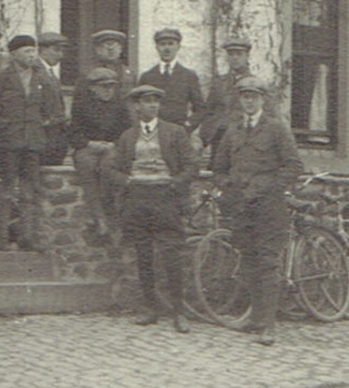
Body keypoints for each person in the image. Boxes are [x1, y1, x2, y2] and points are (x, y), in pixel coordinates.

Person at [212, 76, 303, 346]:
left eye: (254, 96)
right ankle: (255, 318)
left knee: (267, 263)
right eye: (244, 96)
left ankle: (269, 325)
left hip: (269, 207)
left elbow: (293, 167)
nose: (249, 101)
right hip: (241, 206)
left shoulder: (277, 129)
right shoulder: (233, 131)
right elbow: (219, 168)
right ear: (240, 100)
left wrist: (266, 186)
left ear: (263, 99)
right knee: (249, 262)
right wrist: (228, 186)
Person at [110, 84, 198, 333]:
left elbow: (191, 165)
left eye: (155, 101)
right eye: (146, 102)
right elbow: (113, 168)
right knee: (144, 254)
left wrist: (175, 183)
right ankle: (149, 308)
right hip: (137, 198)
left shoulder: (175, 133)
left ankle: (179, 312)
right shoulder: (128, 136)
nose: (152, 105)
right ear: (136, 106)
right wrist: (126, 181)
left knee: (172, 254)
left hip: (165, 197)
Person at [0, 34, 64, 251]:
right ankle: (2, 238)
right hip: (9, 142)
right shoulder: (2, 77)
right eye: (26, 51)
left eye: (33, 51)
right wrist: (2, 127)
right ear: (14, 54)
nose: (31, 55)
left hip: (33, 143)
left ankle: (25, 237)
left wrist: (41, 127)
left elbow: (55, 113)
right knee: (7, 189)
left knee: (30, 190)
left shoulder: (42, 78)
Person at [68, 66, 131, 242]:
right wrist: (89, 144)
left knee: (109, 166)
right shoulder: (81, 106)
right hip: (89, 148)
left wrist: (113, 144)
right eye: (104, 87)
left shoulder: (120, 106)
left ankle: (107, 211)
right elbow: (74, 132)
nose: (108, 90)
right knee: (85, 165)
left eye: (111, 86)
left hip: (111, 148)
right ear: (92, 88)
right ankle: (100, 219)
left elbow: (127, 132)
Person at [137, 28, 205, 133]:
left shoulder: (188, 76)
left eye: (171, 44)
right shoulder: (147, 76)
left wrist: (187, 126)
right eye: (162, 44)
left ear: (178, 47)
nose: (167, 48)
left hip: (179, 132)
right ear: (157, 48)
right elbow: (138, 107)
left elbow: (200, 109)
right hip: (154, 133)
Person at [198, 38, 253, 165]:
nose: (234, 58)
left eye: (239, 54)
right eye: (231, 54)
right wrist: (206, 137)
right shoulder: (219, 82)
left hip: (242, 139)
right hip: (218, 139)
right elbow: (208, 111)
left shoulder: (254, 84)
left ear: (247, 56)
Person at [73, 29, 133, 116]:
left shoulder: (129, 74)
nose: (111, 50)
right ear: (97, 50)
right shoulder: (88, 74)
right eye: (105, 46)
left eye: (115, 46)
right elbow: (79, 105)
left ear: (121, 49)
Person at [36, 30, 71, 166]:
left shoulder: (50, 73)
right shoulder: (34, 71)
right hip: (43, 131)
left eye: (62, 51)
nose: (60, 55)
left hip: (55, 132)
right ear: (42, 49)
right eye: (56, 50)